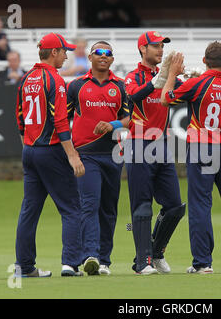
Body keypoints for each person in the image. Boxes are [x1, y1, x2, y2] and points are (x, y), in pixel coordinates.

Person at [160, 42, 221, 274]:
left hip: (202, 147)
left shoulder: (197, 83)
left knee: (200, 204)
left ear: (204, 60)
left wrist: (172, 73)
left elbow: (165, 99)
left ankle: (203, 263)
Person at [14, 33, 85, 278]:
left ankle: (24, 267)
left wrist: (29, 145)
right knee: (72, 208)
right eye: (65, 50)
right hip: (51, 149)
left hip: (30, 150)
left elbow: (20, 118)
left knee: (29, 211)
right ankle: (70, 264)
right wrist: (72, 155)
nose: (67, 55)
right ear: (53, 52)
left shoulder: (26, 79)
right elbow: (61, 121)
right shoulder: (55, 80)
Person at [124, 31, 186, 275]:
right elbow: (130, 98)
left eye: (162, 46)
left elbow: (183, 93)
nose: (160, 50)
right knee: (142, 206)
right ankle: (142, 262)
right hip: (139, 144)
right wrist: (158, 80)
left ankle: (156, 252)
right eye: (155, 46)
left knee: (174, 206)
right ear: (142, 49)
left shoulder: (167, 76)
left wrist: (186, 77)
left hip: (161, 143)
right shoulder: (133, 76)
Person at [67, 41, 130, 276]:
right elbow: (63, 120)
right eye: (99, 53)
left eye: (108, 53)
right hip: (86, 154)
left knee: (109, 208)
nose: (104, 56)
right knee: (89, 205)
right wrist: (70, 153)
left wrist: (112, 124)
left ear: (112, 60)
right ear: (90, 58)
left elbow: (128, 119)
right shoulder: (76, 86)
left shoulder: (121, 86)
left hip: (114, 154)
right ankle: (90, 255)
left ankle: (104, 260)